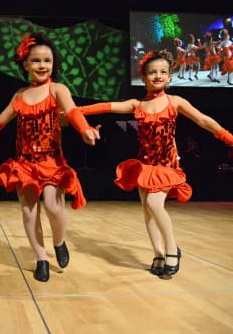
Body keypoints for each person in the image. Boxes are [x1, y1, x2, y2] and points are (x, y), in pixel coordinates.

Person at [80, 50, 233, 277]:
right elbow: (106, 106)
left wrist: (228, 137)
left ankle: (173, 250)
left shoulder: (175, 101)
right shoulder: (136, 104)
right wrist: (75, 112)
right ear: (143, 77)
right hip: (145, 164)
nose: (158, 76)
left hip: (166, 164)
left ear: (170, 76)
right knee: (147, 210)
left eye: (163, 72)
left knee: (154, 203)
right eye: (152, 72)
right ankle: (158, 253)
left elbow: (203, 120)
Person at [0, 33, 100, 282]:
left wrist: (85, 128)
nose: (42, 65)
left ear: (54, 64)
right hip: (24, 163)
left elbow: (73, 111)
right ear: (25, 64)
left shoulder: (57, 89)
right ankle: (41, 257)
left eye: (47, 60)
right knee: (29, 212)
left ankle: (59, 241)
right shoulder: (19, 95)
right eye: (36, 61)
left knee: (54, 207)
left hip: (51, 161)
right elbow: (1, 120)